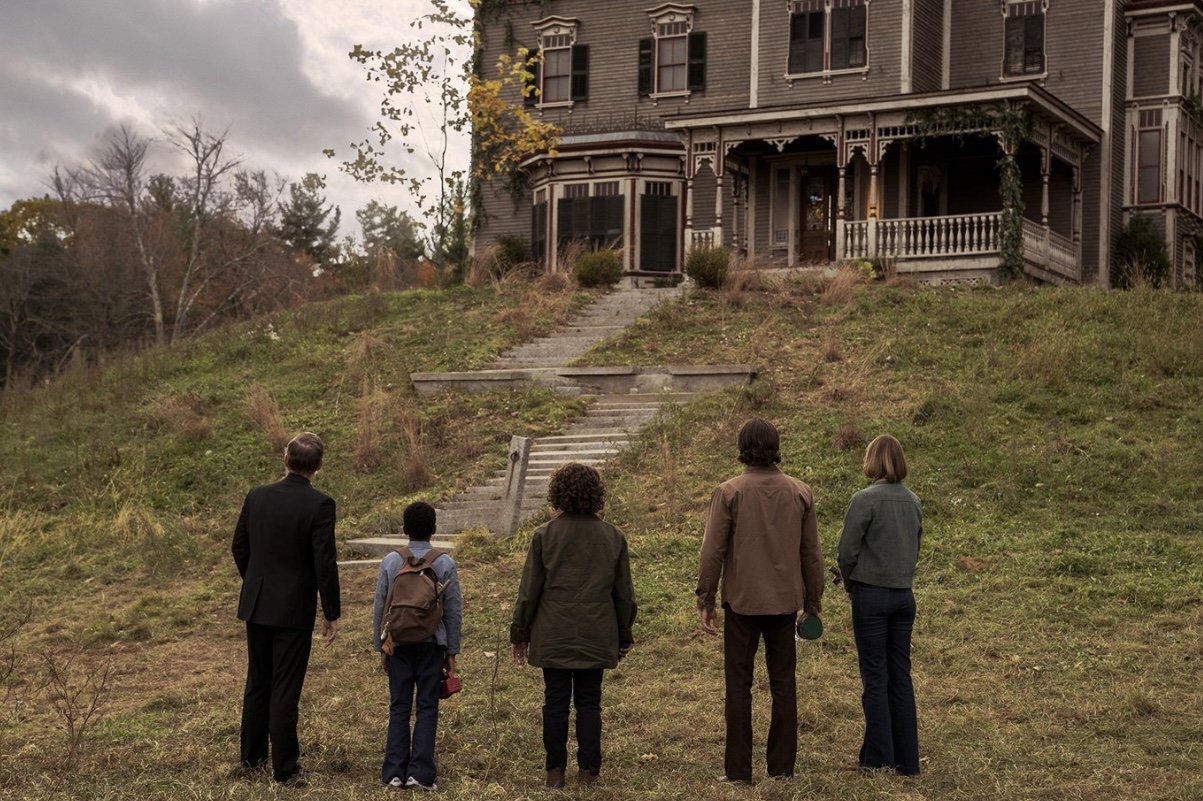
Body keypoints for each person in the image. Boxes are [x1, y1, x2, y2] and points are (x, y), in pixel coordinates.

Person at [696, 418, 824, 785]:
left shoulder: (729, 492)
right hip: (785, 603)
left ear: (742, 448)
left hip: (741, 603)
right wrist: (813, 602)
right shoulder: (800, 492)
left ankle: (738, 772)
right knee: (784, 685)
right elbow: (811, 554)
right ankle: (782, 769)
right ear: (776, 447)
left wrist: (706, 598)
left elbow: (712, 552)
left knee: (738, 685)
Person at [510, 462, 637, 789]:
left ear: (557, 494)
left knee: (554, 701)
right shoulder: (613, 537)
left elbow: (529, 592)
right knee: (590, 702)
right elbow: (624, 594)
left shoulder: (544, 536)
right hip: (596, 631)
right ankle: (588, 772)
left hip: (552, 632)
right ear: (596, 494)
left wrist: (520, 632)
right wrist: (624, 633)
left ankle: (554, 772)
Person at [232, 431, 341, 786]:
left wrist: (255, 582)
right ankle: (286, 769)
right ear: (319, 466)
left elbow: (239, 546)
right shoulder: (320, 505)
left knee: (258, 681)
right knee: (285, 687)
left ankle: (252, 759)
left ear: (285, 459)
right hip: (293, 608)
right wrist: (331, 611)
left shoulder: (257, 495)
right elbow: (324, 563)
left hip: (257, 602)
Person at [837, 434, 923, 776]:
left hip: (870, 595)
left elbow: (846, 552)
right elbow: (916, 546)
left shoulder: (864, 500)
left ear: (872, 461)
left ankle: (877, 758)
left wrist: (851, 584)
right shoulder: (913, 501)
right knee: (900, 676)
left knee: (874, 676)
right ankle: (908, 760)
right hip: (904, 595)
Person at [372, 501, 463, 791]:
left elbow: (380, 607)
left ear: (404, 529)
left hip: (398, 645)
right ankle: (420, 774)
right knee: (427, 707)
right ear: (434, 529)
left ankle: (393, 773)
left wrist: (381, 647)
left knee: (399, 707)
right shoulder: (445, 563)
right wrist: (451, 651)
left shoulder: (391, 561)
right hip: (431, 645)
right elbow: (453, 611)